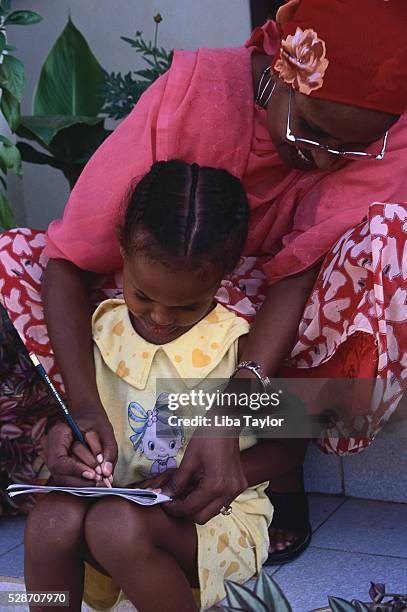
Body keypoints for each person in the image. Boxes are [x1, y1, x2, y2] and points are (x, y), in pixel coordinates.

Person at [2, 0, 407, 565]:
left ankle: (271, 463)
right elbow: (69, 260)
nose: (320, 158)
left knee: (389, 236)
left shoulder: (387, 134)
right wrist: (84, 408)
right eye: (309, 128)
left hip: (273, 332)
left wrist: (229, 423)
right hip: (177, 296)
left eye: (346, 148)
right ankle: (90, 450)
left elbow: (297, 275)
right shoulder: (196, 97)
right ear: (282, 70)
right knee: (14, 260)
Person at [24, 160, 275, 612]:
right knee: (50, 519)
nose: (159, 319)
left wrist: (191, 482)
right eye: (142, 296)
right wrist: (69, 441)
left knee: (116, 523)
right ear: (120, 249)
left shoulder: (239, 346)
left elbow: (290, 449)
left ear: (226, 273)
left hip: (210, 519)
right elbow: (77, 418)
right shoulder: (100, 330)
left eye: (185, 307)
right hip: (112, 506)